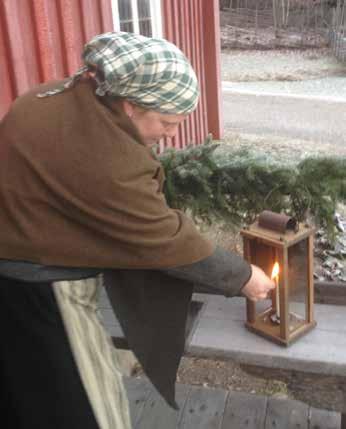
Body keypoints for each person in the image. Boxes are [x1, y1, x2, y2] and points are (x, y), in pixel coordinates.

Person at [0, 32, 274, 429]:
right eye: (166, 122)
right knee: (89, 408)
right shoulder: (105, 160)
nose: (172, 134)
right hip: (43, 292)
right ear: (130, 104)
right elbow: (165, 239)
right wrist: (245, 276)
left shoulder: (53, 96)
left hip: (13, 275)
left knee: (24, 392)